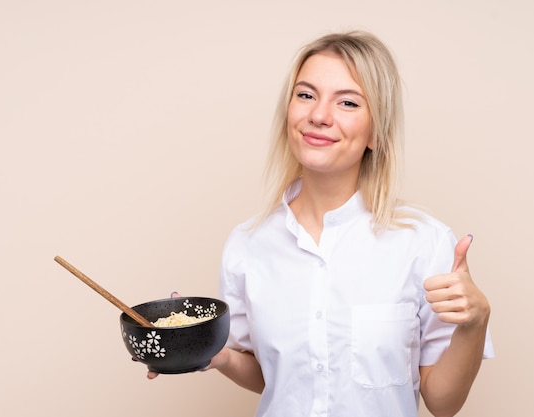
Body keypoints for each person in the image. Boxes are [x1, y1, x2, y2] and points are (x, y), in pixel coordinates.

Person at [149, 30, 494, 417]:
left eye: (347, 102)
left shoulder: (423, 242)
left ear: (376, 133)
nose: (318, 115)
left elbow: (443, 403)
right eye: (306, 95)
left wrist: (475, 323)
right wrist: (214, 353)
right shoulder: (247, 244)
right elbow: (273, 376)